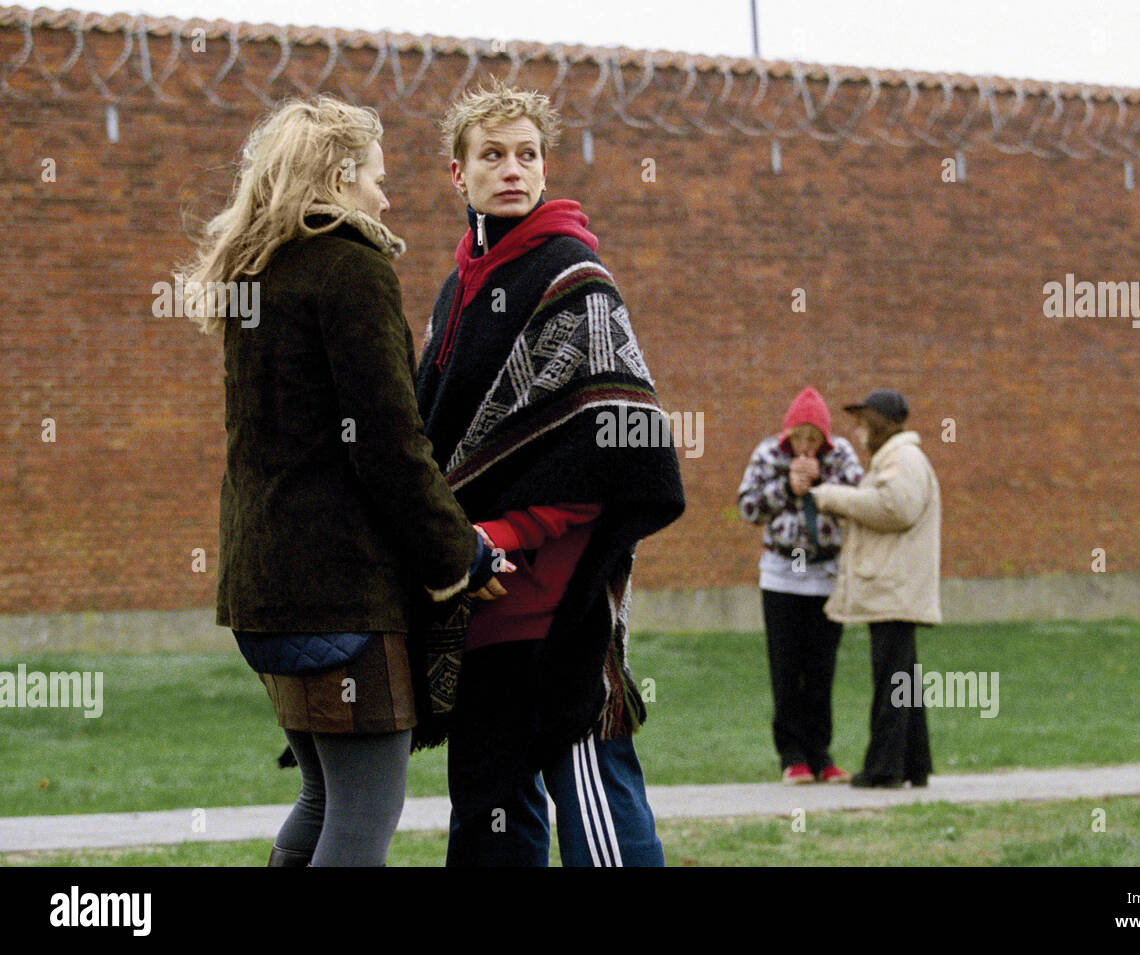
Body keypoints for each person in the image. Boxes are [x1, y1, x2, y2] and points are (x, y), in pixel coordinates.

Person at [185, 95, 500, 866]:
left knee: (322, 799)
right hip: (341, 592)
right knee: (362, 814)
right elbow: (389, 447)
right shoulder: (348, 267)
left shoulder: (258, 270)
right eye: (378, 180)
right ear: (339, 175)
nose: (387, 198)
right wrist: (461, 555)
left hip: (265, 590)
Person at [414, 79, 686, 867]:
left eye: (527, 154)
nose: (512, 169)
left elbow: (615, 448)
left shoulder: (575, 279)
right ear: (456, 174)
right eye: (492, 155)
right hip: (476, 613)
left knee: (597, 812)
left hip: (557, 611)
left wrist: (495, 536)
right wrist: (451, 553)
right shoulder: (454, 293)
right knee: (489, 822)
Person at [810, 388, 940, 789]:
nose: (860, 428)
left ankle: (884, 769)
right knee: (903, 681)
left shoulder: (902, 459)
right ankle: (914, 765)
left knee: (891, 680)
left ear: (885, 420)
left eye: (865, 419)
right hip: (893, 587)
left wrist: (833, 497)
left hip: (892, 588)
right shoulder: (897, 458)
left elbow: (894, 509)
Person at [737, 387, 863, 784]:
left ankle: (821, 754)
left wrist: (821, 486)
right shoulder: (767, 455)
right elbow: (748, 508)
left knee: (821, 669)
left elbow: (861, 500)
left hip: (826, 577)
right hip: (780, 576)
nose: (806, 446)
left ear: (825, 438)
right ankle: (792, 756)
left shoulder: (840, 456)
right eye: (799, 437)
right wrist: (786, 489)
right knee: (786, 668)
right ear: (787, 434)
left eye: (814, 438)